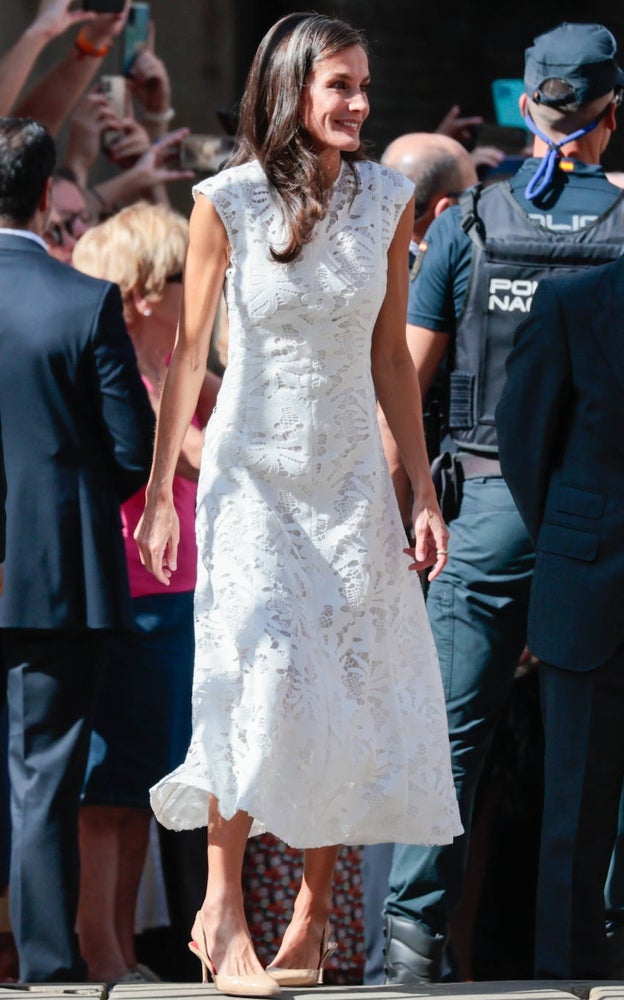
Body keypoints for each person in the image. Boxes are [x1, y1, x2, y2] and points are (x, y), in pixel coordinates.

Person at [134, 11, 461, 998]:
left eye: (366, 86)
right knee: (256, 667)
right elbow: (189, 357)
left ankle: (315, 915)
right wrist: (160, 493)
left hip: (351, 478)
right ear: (292, 92)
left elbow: (389, 362)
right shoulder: (224, 200)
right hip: (250, 478)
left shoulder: (390, 199)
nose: (360, 103)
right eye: (341, 87)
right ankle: (222, 905)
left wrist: (418, 488)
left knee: (346, 680)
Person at [381, 20, 624, 984]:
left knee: (451, 737)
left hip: (484, 503)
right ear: (611, 115)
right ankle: (592, 951)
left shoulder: (470, 222)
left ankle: (409, 944)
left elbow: (406, 380)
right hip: (601, 514)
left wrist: (409, 510)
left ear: (525, 107)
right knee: (594, 744)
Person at [0, 116, 155, 983]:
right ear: (40, 192)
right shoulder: (79, 299)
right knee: (44, 781)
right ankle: (49, 970)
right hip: (53, 576)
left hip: (42, 576)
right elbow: (130, 452)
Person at [71, 201, 220, 986]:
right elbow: (200, 456)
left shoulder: (176, 360)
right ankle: (101, 950)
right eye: (181, 274)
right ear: (144, 290)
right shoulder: (116, 368)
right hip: (131, 592)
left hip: (180, 590)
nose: (201, 286)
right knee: (109, 789)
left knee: (138, 784)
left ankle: (121, 950)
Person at [362, 131, 478, 986]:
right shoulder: (423, 271)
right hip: (408, 547)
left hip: (376, 538)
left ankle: (386, 958)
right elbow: (392, 424)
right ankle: (397, 955)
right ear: (443, 210)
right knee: (422, 750)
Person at [495, 251, 624, 979]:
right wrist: (571, 541)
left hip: (587, 579)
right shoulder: (571, 303)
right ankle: (567, 980)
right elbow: (523, 439)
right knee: (574, 813)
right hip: (590, 585)